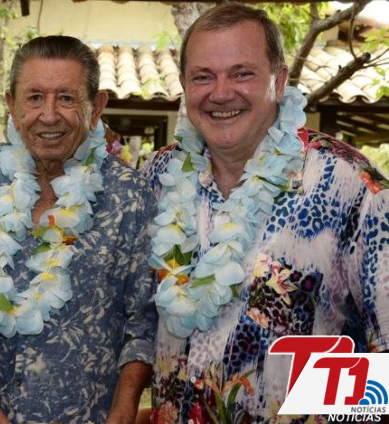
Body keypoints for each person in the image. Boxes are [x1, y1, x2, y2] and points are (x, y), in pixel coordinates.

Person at [141, 4, 389, 423]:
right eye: (203, 76)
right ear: (184, 85)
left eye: (242, 73)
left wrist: (290, 403)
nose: (221, 93)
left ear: (280, 80)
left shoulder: (350, 184)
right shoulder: (159, 175)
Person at [0, 35, 157, 424]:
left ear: (96, 107)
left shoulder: (131, 196)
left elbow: (143, 323)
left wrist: (122, 412)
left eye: (66, 98)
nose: (49, 115)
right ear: (12, 106)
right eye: (34, 98)